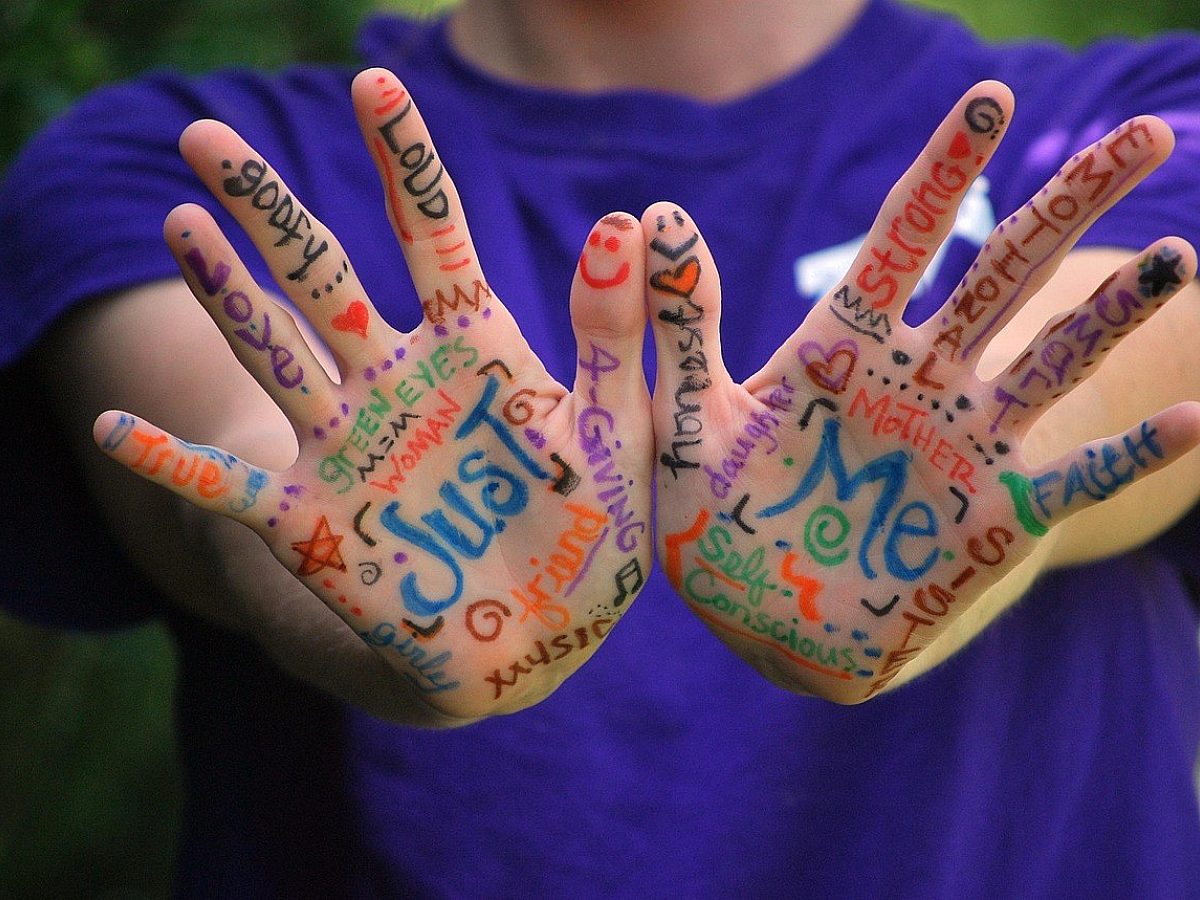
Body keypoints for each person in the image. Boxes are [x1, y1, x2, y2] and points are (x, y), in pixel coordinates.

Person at [3, 0, 1200, 894]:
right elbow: (239, 477)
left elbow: (1105, 403)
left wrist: (932, 532)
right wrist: (404, 588)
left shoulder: (1138, 124)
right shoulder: (163, 162)